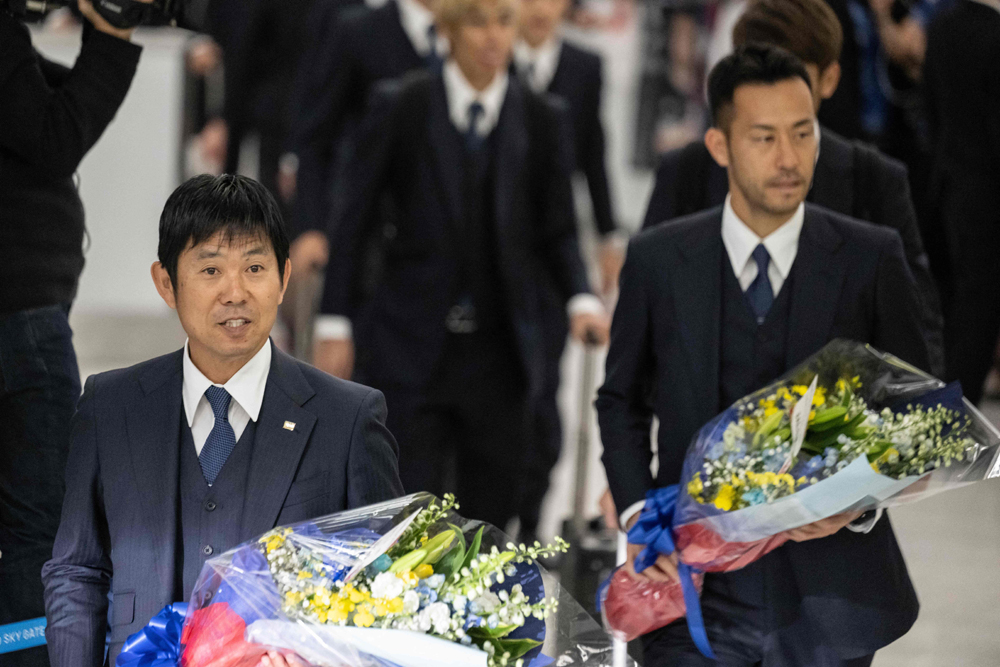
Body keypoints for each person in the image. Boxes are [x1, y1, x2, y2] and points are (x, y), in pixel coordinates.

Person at [597, 45, 929, 666]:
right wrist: (642, 512)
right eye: (765, 137)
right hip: (690, 585)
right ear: (720, 146)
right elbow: (620, 399)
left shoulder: (868, 257)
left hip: (831, 596)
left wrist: (855, 507)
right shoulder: (659, 260)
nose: (788, 158)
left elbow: (916, 411)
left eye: (803, 134)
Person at [41, 175, 404, 667]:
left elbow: (388, 589)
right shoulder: (110, 406)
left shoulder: (348, 419)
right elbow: (77, 573)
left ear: (284, 278)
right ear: (167, 283)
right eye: (210, 270)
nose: (235, 292)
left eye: (254, 267)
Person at [312, 0, 609, 530]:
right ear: (448, 31)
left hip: (501, 352)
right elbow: (353, 220)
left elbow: (558, 227)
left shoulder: (542, 119)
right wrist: (334, 322)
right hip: (412, 341)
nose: (493, 36)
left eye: (503, 21)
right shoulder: (401, 105)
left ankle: (480, 613)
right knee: (406, 508)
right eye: (477, 21)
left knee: (490, 514)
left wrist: (582, 298)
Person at [641, 0, 945, 378]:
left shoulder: (873, 180)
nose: (774, 90)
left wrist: (912, 419)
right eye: (756, 73)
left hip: (837, 418)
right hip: (707, 420)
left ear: (828, 80)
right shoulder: (688, 171)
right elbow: (643, 311)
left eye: (792, 76)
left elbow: (916, 320)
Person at [0, 4, 144, 665]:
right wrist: (110, 36)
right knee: (35, 534)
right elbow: (53, 137)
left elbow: (25, 108)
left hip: (25, 315)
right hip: (20, 318)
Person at [279, 0, 447, 355]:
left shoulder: (475, 33)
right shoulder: (358, 31)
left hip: (450, 253)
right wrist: (311, 225)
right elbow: (317, 138)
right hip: (373, 243)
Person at [511, 0, 619, 543]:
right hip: (486, 257)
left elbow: (593, 153)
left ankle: (530, 521)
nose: (538, 8)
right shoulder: (485, 55)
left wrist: (607, 234)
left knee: (543, 391)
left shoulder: (582, 67)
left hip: (552, 259)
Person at [924, 0, 1000, 406]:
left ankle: (952, 405)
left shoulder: (940, 27)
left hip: (951, 186)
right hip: (988, 193)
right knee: (979, 308)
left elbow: (929, 107)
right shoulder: (994, 35)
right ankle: (955, 410)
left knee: (964, 303)